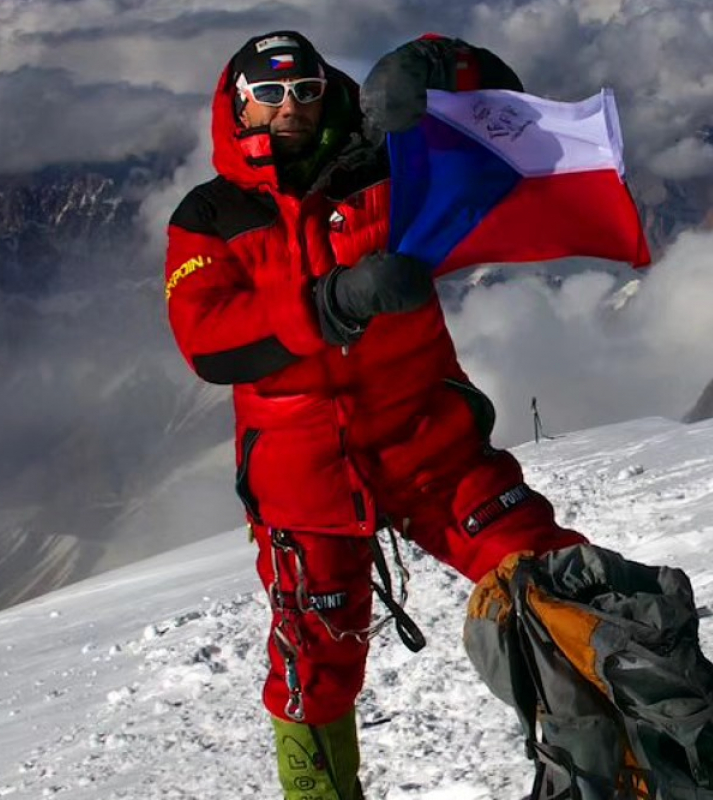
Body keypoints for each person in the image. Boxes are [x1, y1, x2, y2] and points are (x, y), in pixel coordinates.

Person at [164, 30, 585, 799]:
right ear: (237, 106)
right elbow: (209, 340)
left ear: (328, 92)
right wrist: (329, 304)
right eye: (268, 94)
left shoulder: (390, 164)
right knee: (312, 667)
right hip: (305, 482)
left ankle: (612, 761)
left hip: (432, 443)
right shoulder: (209, 217)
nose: (288, 107)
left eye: (304, 90)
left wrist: (439, 62)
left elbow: (497, 125)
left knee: (556, 581)